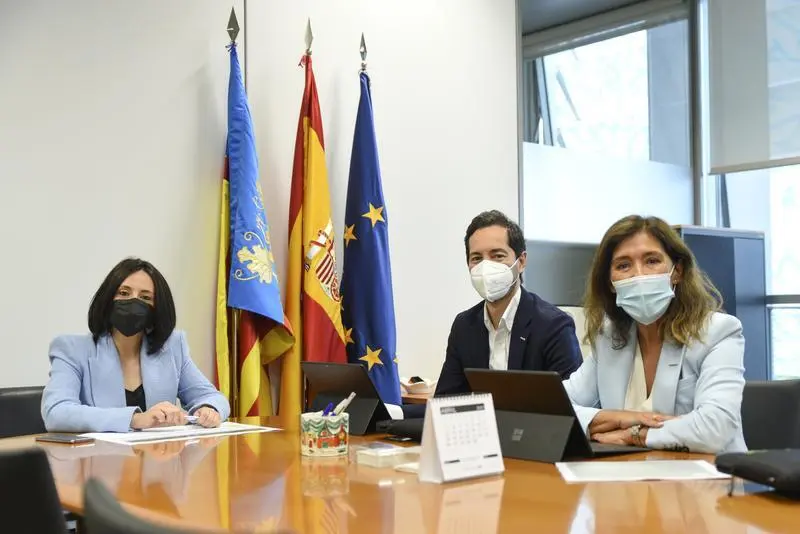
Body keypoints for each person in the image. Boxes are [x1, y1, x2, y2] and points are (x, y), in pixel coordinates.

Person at [564, 215, 747, 454]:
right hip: (628, 472)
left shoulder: (718, 332)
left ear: (677, 272)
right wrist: (619, 418)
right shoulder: (610, 338)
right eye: (623, 265)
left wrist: (634, 434)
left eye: (651, 261)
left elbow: (715, 428)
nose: (639, 275)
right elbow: (555, 408)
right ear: (610, 283)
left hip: (707, 473)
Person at [42, 258, 230, 432]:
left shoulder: (172, 347)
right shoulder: (72, 349)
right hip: (99, 456)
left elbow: (214, 398)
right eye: (124, 293)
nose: (133, 301)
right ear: (108, 299)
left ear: (157, 308)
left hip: (160, 455)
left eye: (145, 297)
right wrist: (135, 419)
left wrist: (209, 409)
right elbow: (56, 412)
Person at [436, 210, 582, 396]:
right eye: (477, 258)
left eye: (498, 256)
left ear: (521, 262)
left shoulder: (553, 325)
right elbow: (446, 401)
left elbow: (571, 403)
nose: (486, 267)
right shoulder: (464, 326)